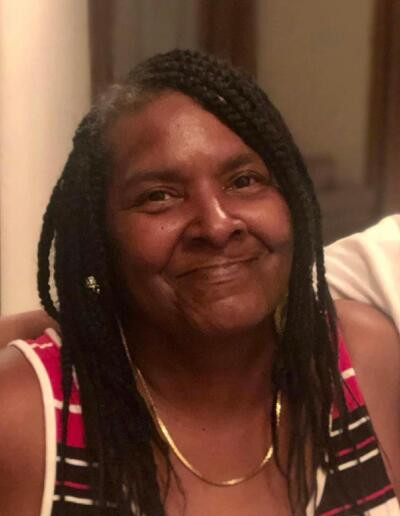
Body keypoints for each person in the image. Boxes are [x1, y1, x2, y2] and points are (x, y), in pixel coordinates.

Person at [0, 49, 399, 516]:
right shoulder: (22, 420)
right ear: (98, 238)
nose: (217, 225)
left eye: (244, 181)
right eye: (159, 196)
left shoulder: (364, 361)